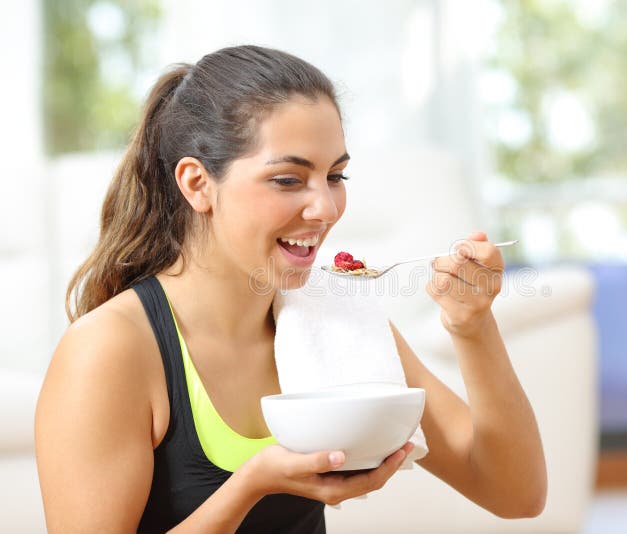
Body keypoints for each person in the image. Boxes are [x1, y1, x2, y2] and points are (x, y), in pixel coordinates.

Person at [35, 45, 546, 533]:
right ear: (196, 184)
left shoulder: (336, 322)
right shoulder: (110, 349)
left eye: (336, 175)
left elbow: (515, 494)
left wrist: (473, 326)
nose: (325, 208)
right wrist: (249, 486)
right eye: (287, 179)